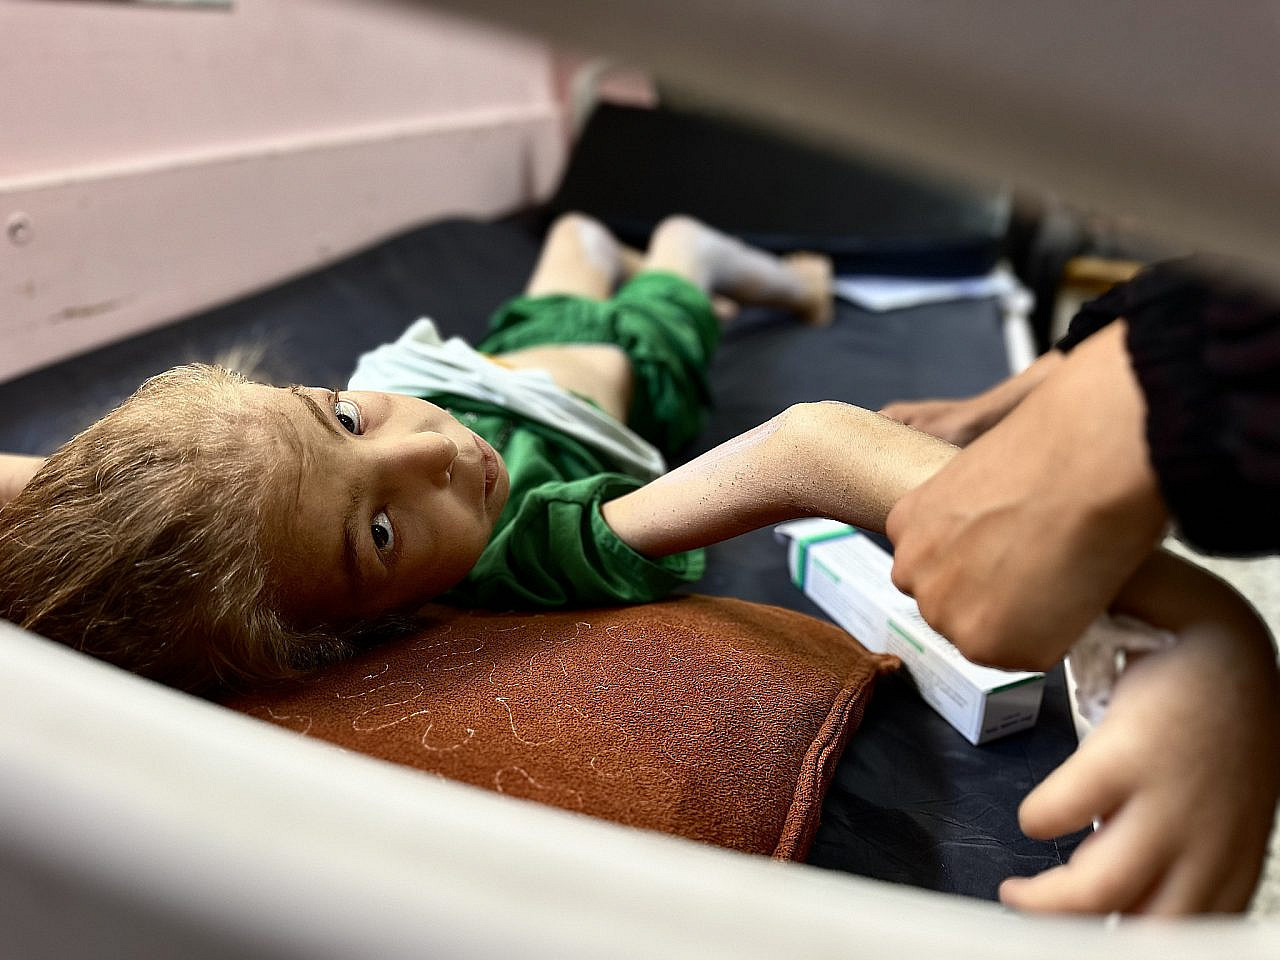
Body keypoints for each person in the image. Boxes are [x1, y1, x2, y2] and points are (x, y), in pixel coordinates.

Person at [2, 223, 1275, 916]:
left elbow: (56, 493)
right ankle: (685, 252)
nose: (432, 461)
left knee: (553, 301)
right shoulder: (535, 544)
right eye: (380, 536)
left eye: (335, 415)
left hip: (449, 358)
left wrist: (1211, 630)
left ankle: (583, 252)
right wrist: (1191, 624)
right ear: (344, 633)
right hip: (569, 405)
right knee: (639, 322)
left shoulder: (316, 454)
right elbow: (806, 447)